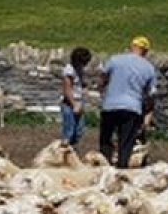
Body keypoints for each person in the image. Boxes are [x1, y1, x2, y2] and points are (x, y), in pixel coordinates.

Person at [98, 36, 158, 169]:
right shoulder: (149, 68)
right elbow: (151, 94)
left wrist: (102, 91)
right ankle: (122, 168)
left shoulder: (115, 60)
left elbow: (102, 78)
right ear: (145, 51)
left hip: (110, 105)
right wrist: (148, 115)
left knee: (105, 139)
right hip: (132, 107)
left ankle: (104, 166)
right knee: (126, 142)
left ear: (131, 47)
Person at [60, 46, 92, 147]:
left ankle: (72, 150)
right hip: (70, 103)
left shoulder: (79, 69)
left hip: (79, 102)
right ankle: (63, 152)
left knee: (79, 131)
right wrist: (74, 104)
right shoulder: (69, 70)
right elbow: (67, 89)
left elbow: (79, 84)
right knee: (69, 131)